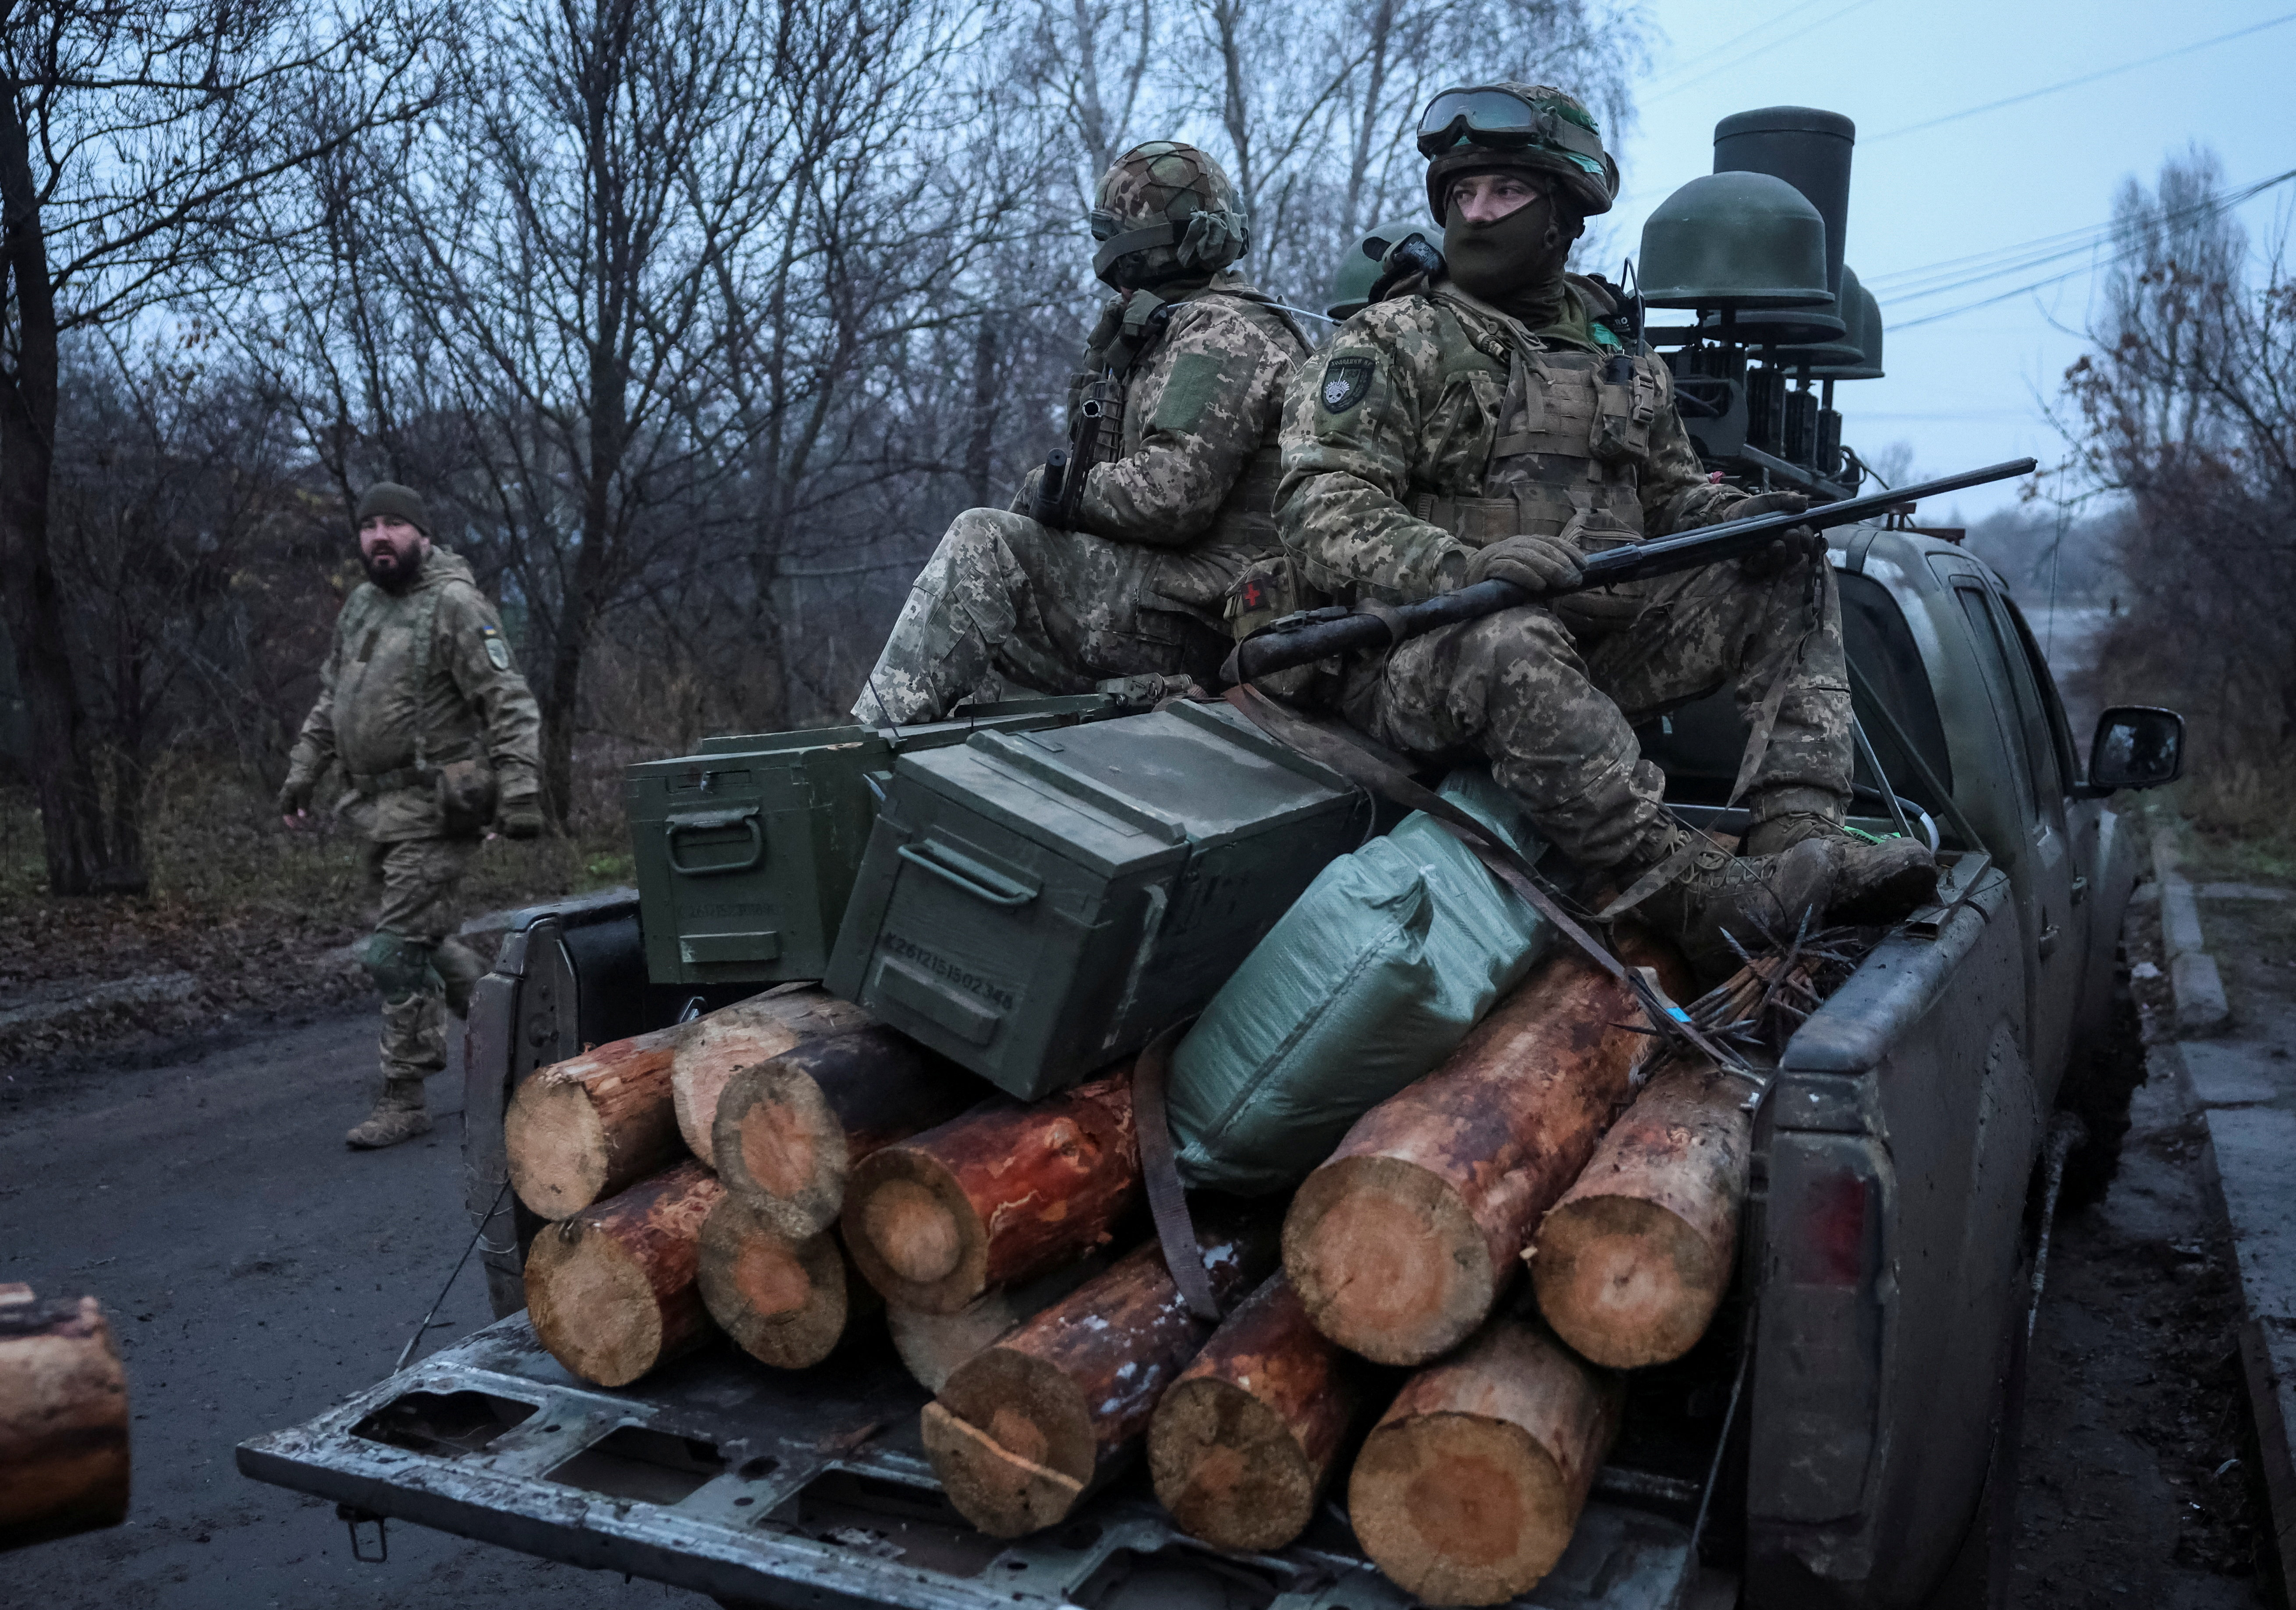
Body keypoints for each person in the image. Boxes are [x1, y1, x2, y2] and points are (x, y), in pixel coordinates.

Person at [1272, 82, 1935, 975]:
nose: (1477, 214)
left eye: (1503, 194)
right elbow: (1321, 508)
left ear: (1562, 213)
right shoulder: (1393, 341)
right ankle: (1689, 893)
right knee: (1509, 636)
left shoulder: (1620, 357)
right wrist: (1466, 565)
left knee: (1788, 565)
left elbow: (1672, 501)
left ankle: (1801, 848)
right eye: (1460, 195)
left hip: (1591, 645)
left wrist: (1742, 522)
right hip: (1417, 659)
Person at [852, 141, 1309, 724]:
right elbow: (1116, 459)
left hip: (1210, 613)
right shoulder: (1180, 328)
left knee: (985, 544)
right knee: (980, 629)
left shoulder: (1222, 332)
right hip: (1183, 602)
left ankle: (864, 741)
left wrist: (1056, 491)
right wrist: (1105, 367)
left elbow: (1170, 495)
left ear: (1148, 251)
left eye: (1117, 246)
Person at [279, 482, 543, 1149]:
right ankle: (526, 1052)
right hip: (374, 809)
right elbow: (330, 698)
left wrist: (520, 792)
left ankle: (405, 1096)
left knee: (394, 952)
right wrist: (303, 770)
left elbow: (506, 699)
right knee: (428, 942)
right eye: (368, 526)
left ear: (422, 534)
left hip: (437, 807)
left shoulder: (454, 604)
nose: (379, 537)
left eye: (394, 523)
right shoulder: (364, 606)